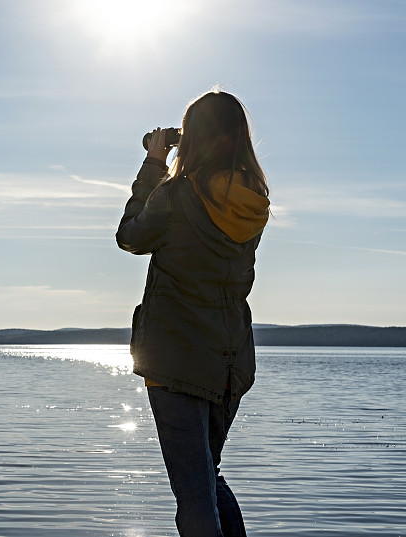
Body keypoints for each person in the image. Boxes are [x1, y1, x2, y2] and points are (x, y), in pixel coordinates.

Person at [116, 90, 270, 537]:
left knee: (195, 495)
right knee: (209, 477)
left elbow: (130, 237)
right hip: (230, 363)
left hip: (177, 360)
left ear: (194, 138)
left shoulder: (176, 195)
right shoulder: (251, 196)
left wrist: (153, 163)